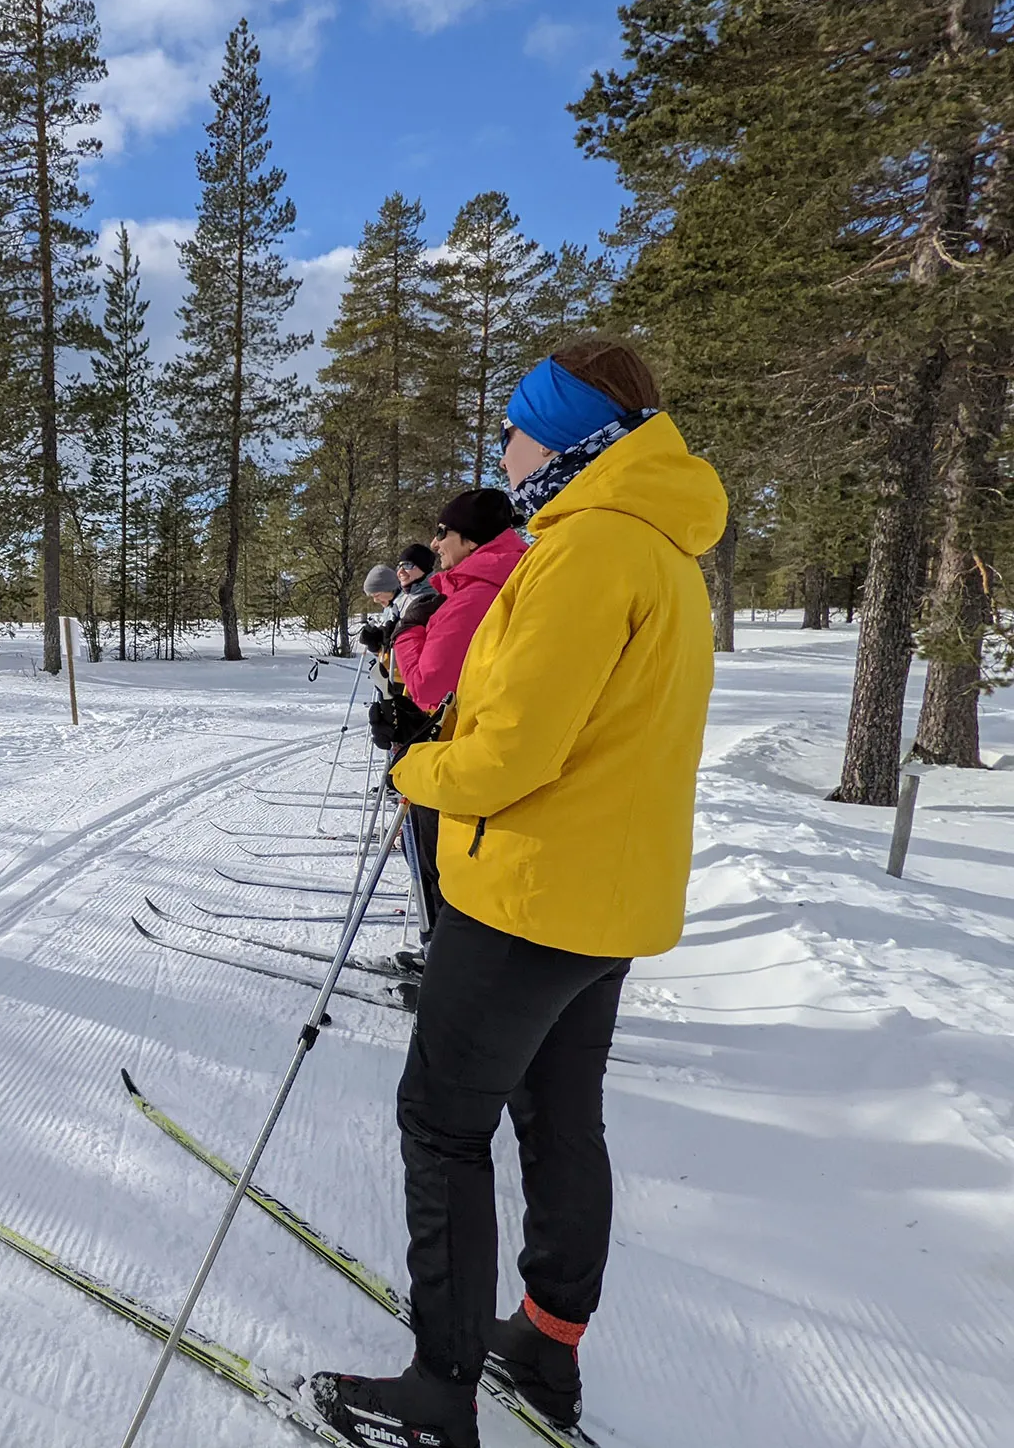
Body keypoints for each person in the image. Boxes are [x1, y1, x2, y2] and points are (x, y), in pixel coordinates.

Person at [302, 337, 728, 1448]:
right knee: (554, 1117)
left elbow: (510, 755)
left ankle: (437, 1395)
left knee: (439, 1125)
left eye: (515, 425)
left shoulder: (587, 553)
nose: (503, 446)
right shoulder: (659, 552)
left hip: (528, 893)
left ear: (568, 429)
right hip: (600, 898)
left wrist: (411, 763)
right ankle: (542, 1344)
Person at [390, 489, 524, 712]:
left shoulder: (476, 595)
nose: (434, 543)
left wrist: (407, 631)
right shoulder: (494, 581)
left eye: (442, 533)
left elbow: (428, 685)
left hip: (457, 734)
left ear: (471, 539)